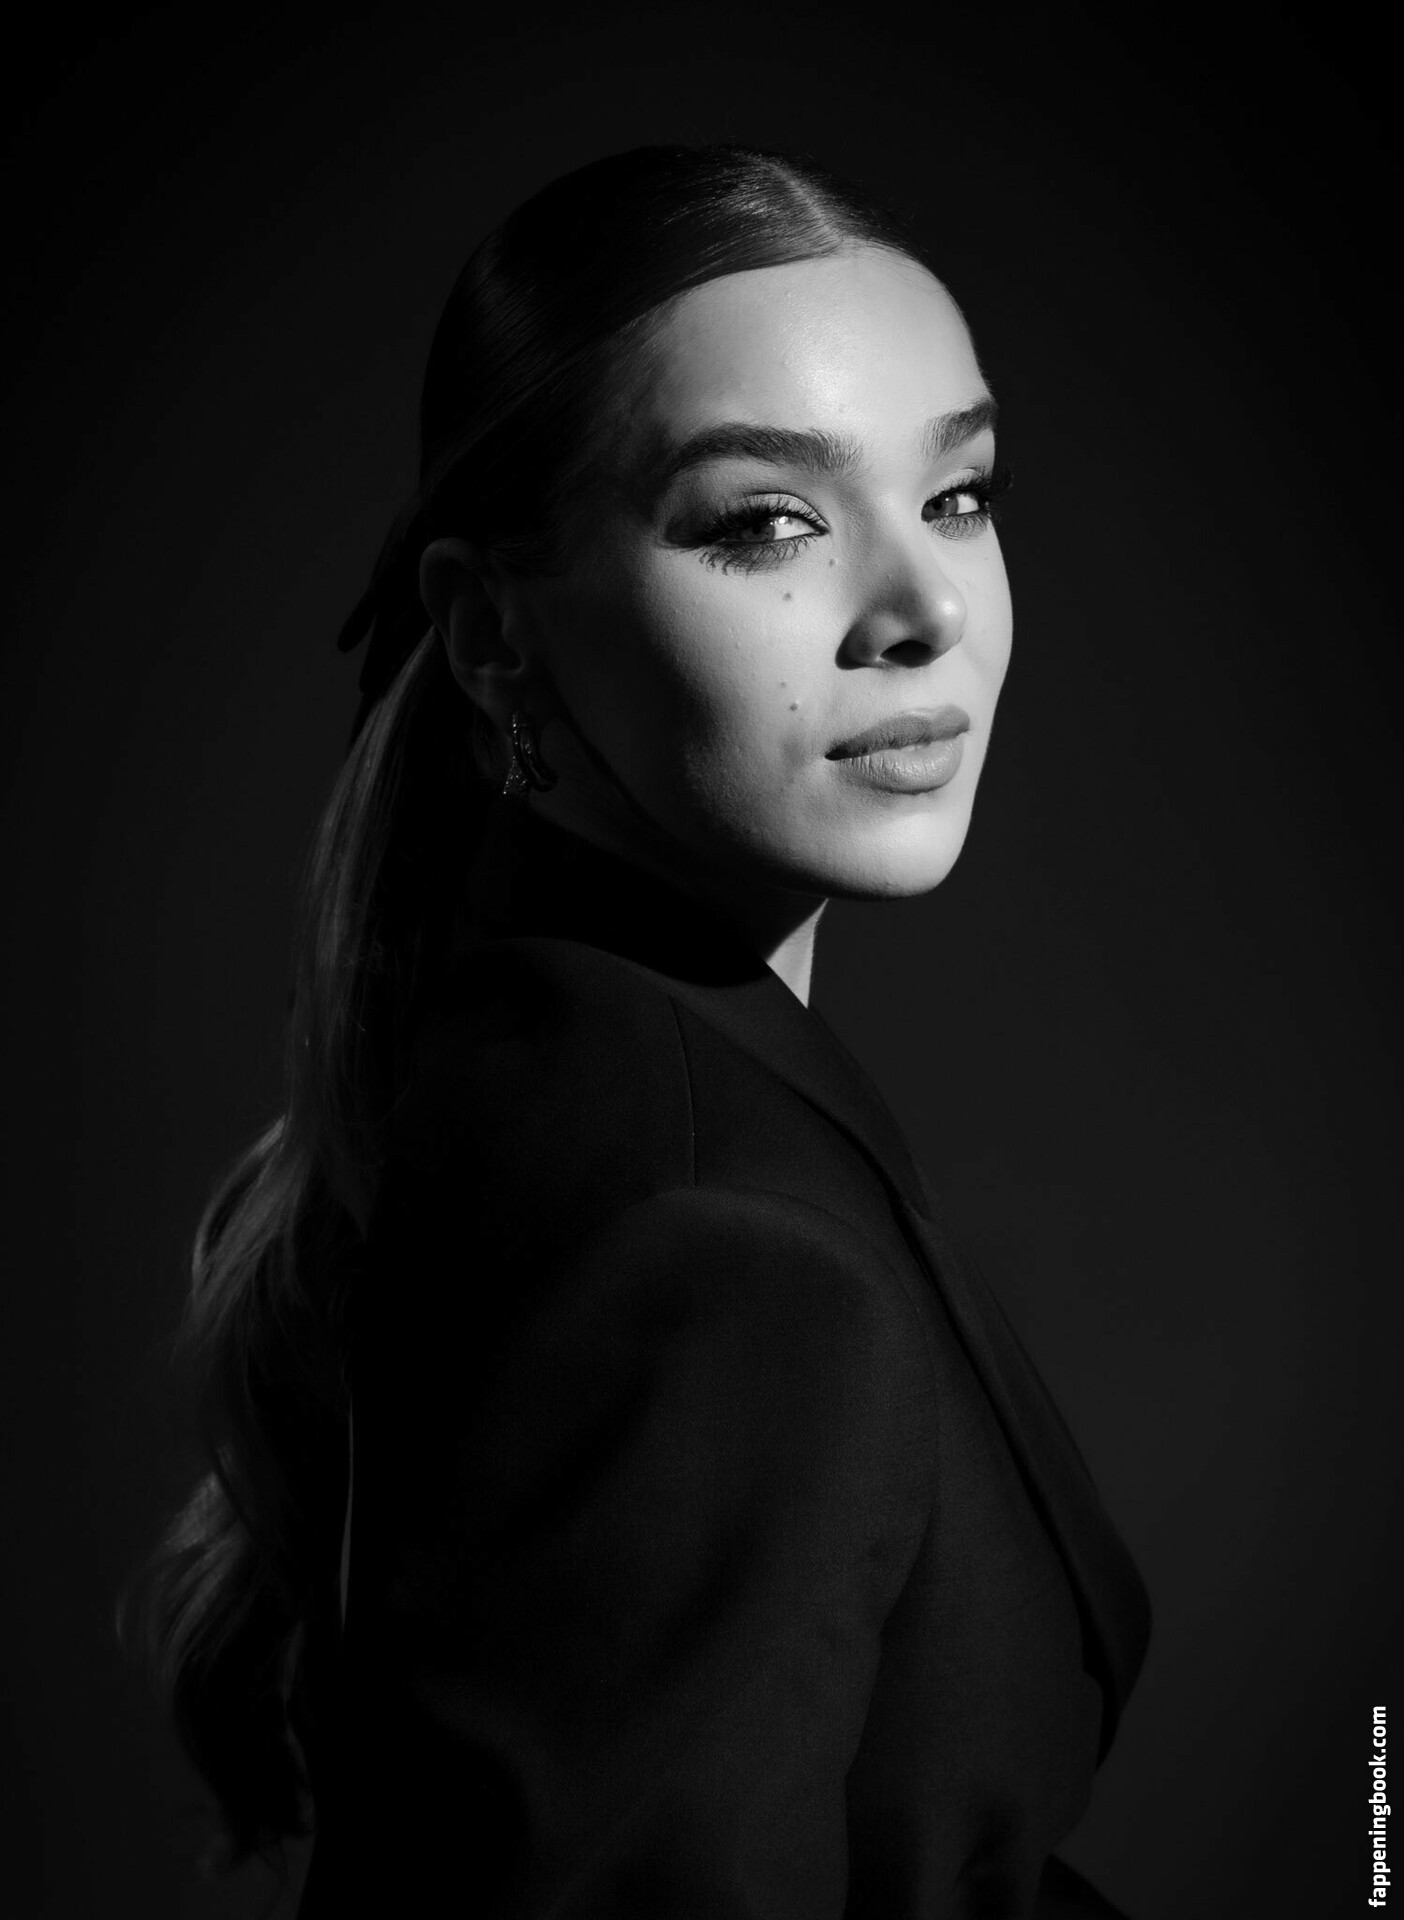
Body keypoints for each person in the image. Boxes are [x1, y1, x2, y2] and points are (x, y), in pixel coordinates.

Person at [134, 142, 1152, 1917]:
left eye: (960, 495)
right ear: (491, 635)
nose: (924, 614)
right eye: (768, 521)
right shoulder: (712, 1247)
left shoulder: (560, 1059)